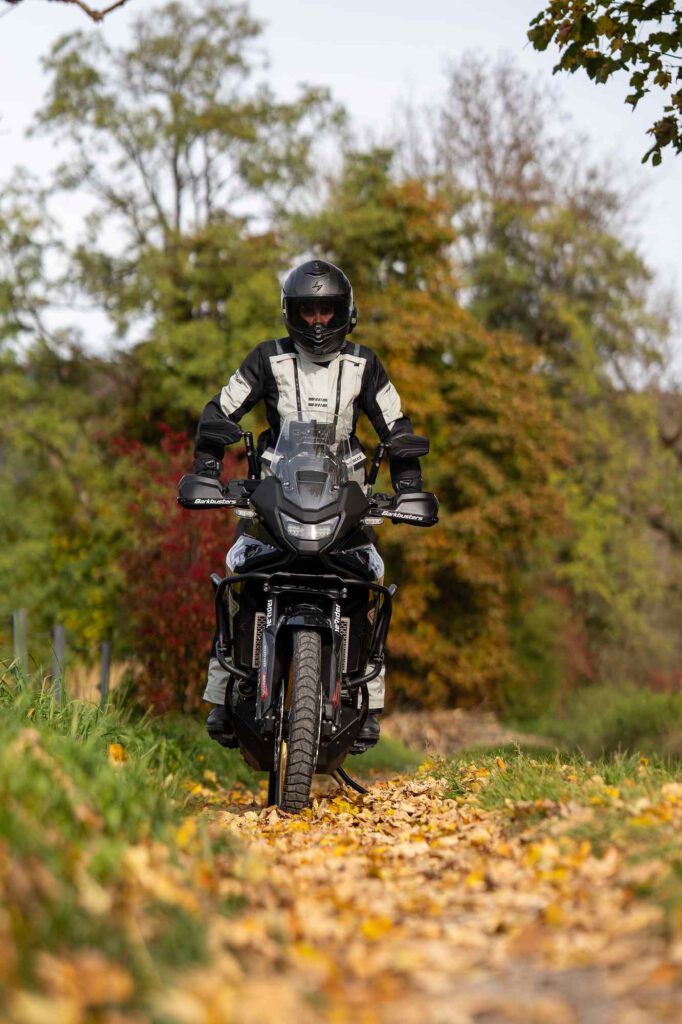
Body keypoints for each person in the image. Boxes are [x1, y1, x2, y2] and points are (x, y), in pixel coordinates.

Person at [192, 259, 423, 750]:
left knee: (367, 579)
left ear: (346, 311)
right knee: (242, 573)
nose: (318, 321)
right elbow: (219, 411)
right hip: (275, 496)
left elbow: (397, 428)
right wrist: (209, 472)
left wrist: (408, 486)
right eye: (307, 310)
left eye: (327, 309)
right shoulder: (266, 359)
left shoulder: (365, 365)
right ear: (289, 313)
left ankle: (368, 702)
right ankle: (223, 693)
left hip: (346, 501)